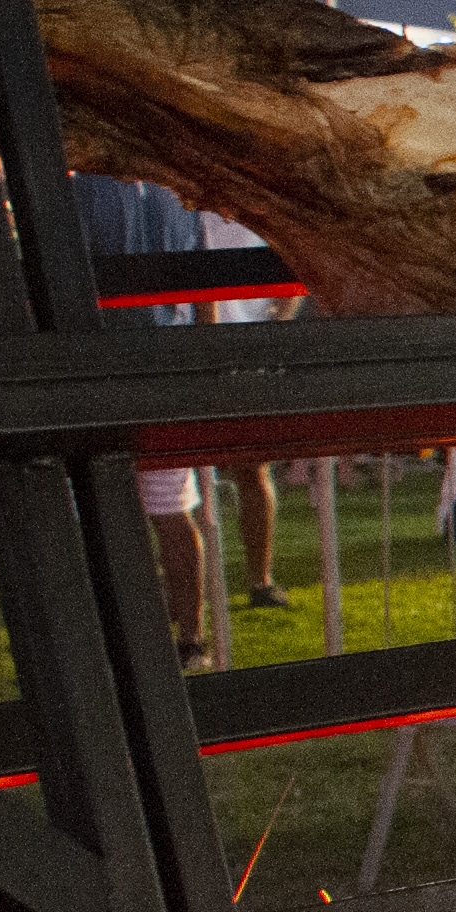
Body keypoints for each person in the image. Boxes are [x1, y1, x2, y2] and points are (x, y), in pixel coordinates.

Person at [71, 169, 213, 663]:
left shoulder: (84, 188)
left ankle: (131, 632)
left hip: (103, 368)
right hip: (166, 369)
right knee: (168, 510)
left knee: (116, 512)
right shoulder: (174, 191)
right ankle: (189, 636)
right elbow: (201, 284)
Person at [195, 206, 290, 609]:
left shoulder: (259, 215)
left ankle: (260, 580)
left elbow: (289, 282)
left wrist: (272, 329)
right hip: (196, 351)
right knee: (189, 479)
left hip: (247, 352)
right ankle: (193, 591)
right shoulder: (186, 211)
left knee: (253, 469)